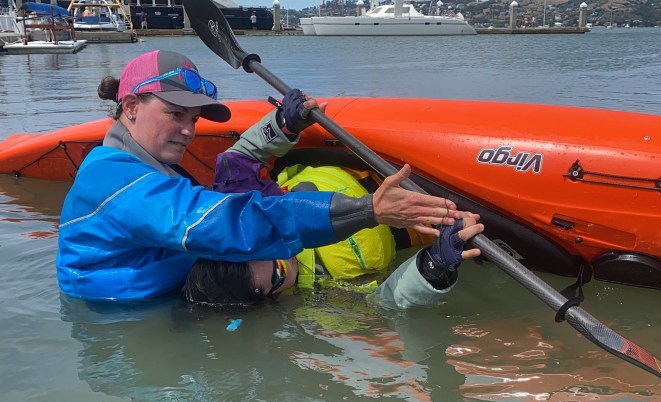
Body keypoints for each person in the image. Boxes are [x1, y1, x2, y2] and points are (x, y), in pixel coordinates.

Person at [56, 50, 465, 302]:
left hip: (172, 297)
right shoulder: (112, 180)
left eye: (193, 118)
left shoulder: (149, 170)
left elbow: (236, 164)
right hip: (122, 314)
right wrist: (369, 212)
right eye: (175, 114)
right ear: (130, 106)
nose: (189, 130)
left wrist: (283, 124)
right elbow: (217, 222)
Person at [181, 89, 484, 309]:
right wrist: (436, 266)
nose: (282, 253)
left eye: (265, 245)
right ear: (273, 297)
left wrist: (284, 124)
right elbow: (386, 303)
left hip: (358, 169)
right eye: (278, 273)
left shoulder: (241, 217)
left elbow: (237, 158)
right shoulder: (320, 296)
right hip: (405, 224)